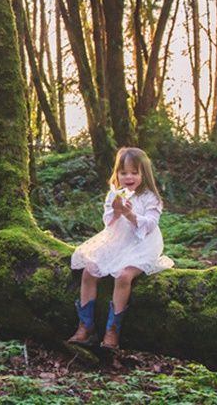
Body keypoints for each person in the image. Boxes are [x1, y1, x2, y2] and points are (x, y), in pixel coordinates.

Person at [67, 147, 174, 349]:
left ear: (144, 174)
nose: (128, 177)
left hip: (142, 245)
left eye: (134, 172)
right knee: (89, 271)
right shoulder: (114, 194)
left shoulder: (151, 198)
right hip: (117, 241)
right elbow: (109, 223)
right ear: (117, 174)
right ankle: (85, 325)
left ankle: (112, 330)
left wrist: (130, 214)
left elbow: (150, 224)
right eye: (123, 172)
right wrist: (116, 211)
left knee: (123, 276)